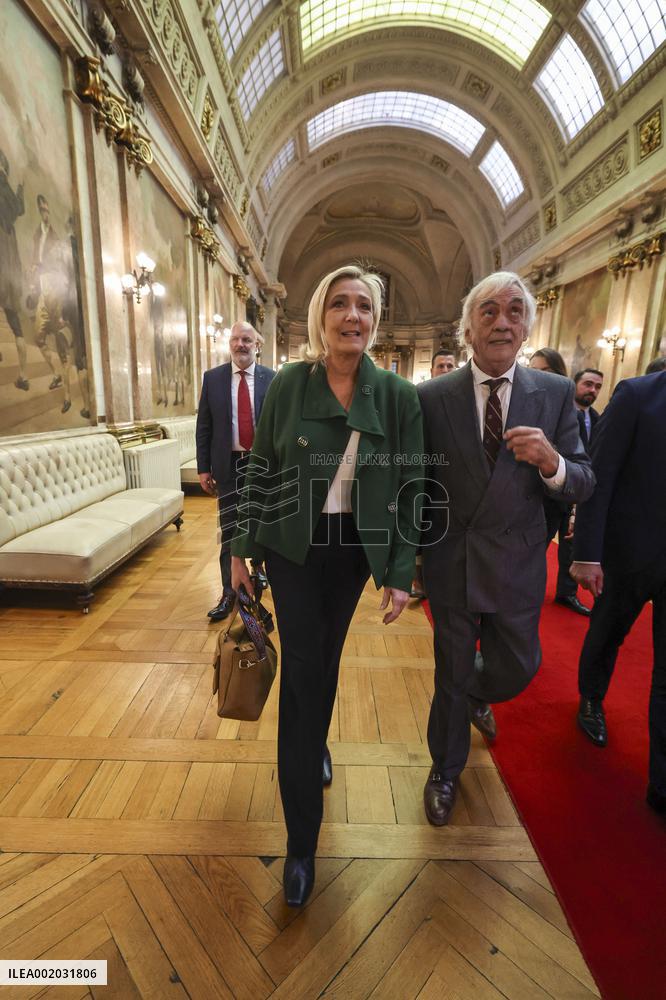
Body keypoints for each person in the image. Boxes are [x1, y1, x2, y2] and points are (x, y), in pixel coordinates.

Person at [231, 265, 423, 906]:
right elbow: (260, 468)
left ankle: (314, 744)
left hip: (353, 554)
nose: (352, 316)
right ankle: (301, 846)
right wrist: (238, 549)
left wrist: (400, 572)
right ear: (321, 316)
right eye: (339, 303)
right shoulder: (289, 383)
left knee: (325, 659)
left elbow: (412, 484)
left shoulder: (395, 394)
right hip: (293, 546)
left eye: (363, 305)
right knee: (305, 671)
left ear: (375, 319)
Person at [418, 271, 594, 826]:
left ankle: (474, 693)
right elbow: (415, 484)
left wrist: (552, 463)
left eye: (515, 312)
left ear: (526, 330)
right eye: (489, 311)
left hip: (517, 560)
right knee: (449, 671)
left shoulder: (556, 394)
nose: (502, 321)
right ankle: (444, 771)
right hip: (452, 558)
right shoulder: (431, 397)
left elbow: (584, 479)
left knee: (518, 666)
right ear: (468, 328)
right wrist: (412, 559)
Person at [571, 369, 666, 815]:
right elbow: (598, 476)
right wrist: (587, 552)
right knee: (608, 631)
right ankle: (591, 698)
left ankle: (661, 785)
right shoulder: (638, 396)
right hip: (629, 554)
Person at [196, 321, 275, 622]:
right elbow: (203, 427)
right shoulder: (213, 378)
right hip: (228, 464)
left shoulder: (272, 378)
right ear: (229, 344)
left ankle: (258, 571)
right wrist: (204, 468)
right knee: (229, 529)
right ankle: (229, 592)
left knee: (262, 522)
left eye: (247, 339)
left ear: (258, 344)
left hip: (263, 464)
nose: (240, 344)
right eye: (235, 339)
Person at [530, 349, 591, 616]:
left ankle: (566, 592)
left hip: (563, 493)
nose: (537, 377)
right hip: (534, 499)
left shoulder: (571, 411)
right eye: (533, 370)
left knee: (566, 549)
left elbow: (583, 458)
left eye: (545, 371)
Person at [0, 150, 29, 390]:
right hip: (12, 267)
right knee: (15, 322)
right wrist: (20, 187)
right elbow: (20, 209)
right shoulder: (8, 189)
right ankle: (23, 375)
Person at [573, 368, 603, 449]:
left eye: (598, 387)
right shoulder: (560, 411)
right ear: (574, 384)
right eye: (588, 384)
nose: (593, 390)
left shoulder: (598, 419)